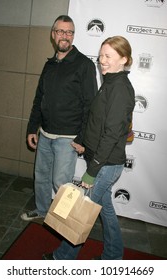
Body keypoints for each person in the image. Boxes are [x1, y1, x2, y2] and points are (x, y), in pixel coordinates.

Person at [42, 35, 135, 260]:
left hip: (104, 166)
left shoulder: (120, 88)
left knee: (81, 215)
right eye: (101, 55)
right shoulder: (110, 81)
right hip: (101, 161)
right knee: (106, 211)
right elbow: (98, 121)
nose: (102, 60)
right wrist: (84, 142)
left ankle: (62, 258)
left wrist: (92, 171)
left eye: (108, 56)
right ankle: (113, 256)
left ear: (124, 59)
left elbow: (112, 134)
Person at [21, 15, 97, 221]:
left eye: (69, 32)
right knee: (42, 179)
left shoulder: (84, 65)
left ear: (73, 36)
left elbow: (90, 105)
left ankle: (66, 222)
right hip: (45, 133)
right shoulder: (50, 64)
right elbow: (39, 99)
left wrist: (81, 138)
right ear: (53, 35)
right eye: (60, 31)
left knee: (61, 184)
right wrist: (31, 128)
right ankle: (42, 209)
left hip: (68, 138)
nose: (65, 36)